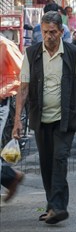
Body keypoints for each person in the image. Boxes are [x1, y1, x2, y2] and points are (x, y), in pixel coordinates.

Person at [13, 11, 76, 224]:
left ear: (61, 32)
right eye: (46, 32)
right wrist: (17, 120)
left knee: (59, 158)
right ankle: (54, 206)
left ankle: (57, 206)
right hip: (40, 118)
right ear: (41, 30)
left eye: (53, 32)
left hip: (66, 118)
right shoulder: (31, 54)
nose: (49, 36)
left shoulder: (73, 53)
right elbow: (23, 88)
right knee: (47, 164)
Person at [1, 33, 25, 202]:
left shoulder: (5, 45)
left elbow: (22, 74)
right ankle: (10, 177)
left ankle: (10, 177)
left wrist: (2, 92)